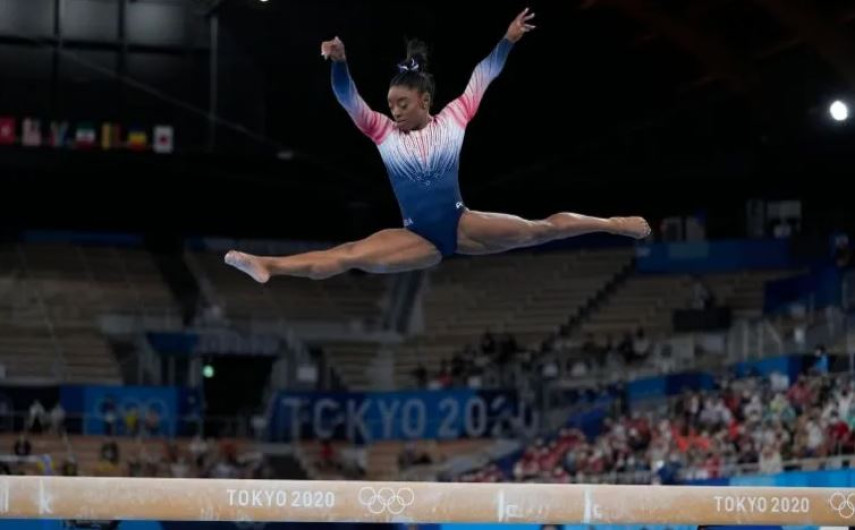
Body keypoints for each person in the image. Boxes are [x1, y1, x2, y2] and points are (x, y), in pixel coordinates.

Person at [226, 8, 650, 283]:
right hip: (417, 238)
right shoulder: (381, 132)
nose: (393, 111)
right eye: (391, 104)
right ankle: (267, 265)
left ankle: (612, 223)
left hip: (462, 223)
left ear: (425, 101)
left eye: (402, 104)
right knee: (349, 254)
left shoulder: (454, 117)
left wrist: (508, 40)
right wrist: (340, 63)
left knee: (540, 230)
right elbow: (346, 97)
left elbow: (485, 73)